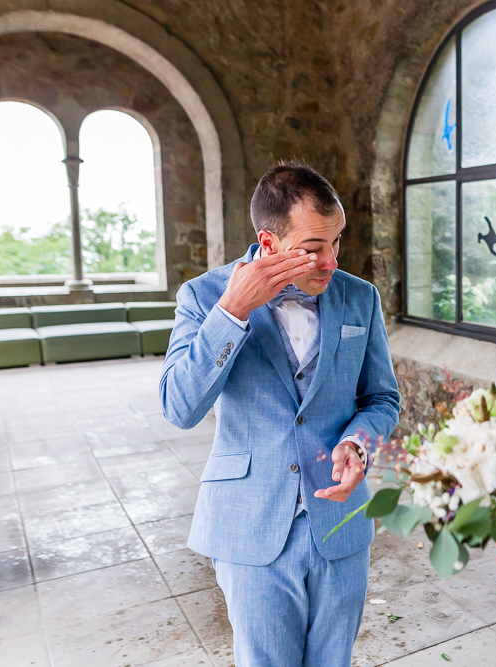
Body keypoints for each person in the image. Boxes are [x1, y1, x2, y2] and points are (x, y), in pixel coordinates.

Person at [160, 162, 400, 666]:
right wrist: (232, 314)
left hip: (339, 524)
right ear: (268, 244)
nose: (331, 261)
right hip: (250, 525)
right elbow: (180, 408)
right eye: (314, 248)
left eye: (337, 242)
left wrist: (359, 443)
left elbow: (382, 399)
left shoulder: (360, 297)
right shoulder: (204, 297)